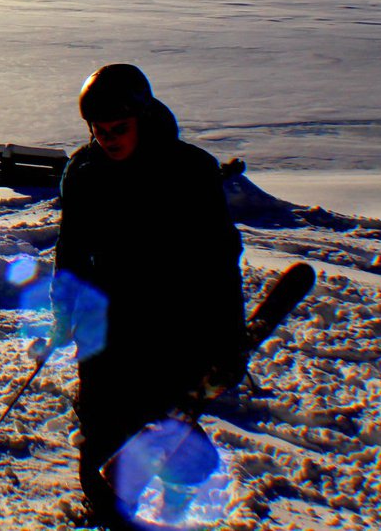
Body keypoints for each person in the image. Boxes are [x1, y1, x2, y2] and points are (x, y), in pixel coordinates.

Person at [49, 64, 245, 529]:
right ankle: (109, 511)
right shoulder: (84, 172)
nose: (108, 138)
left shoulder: (189, 172)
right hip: (108, 326)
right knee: (101, 438)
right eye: (99, 130)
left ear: (143, 117)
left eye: (119, 128)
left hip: (174, 324)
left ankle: (169, 502)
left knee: (168, 431)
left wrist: (228, 340)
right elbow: (70, 249)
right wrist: (63, 310)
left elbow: (220, 262)